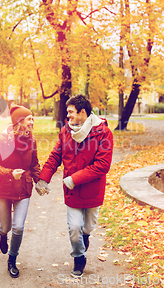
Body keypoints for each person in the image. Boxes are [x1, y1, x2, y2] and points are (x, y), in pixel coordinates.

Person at [35, 94, 113, 278]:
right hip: (72, 191)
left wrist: (75, 178)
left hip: (93, 190)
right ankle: (78, 258)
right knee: (74, 229)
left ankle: (85, 238)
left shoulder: (103, 132)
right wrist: (43, 179)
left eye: (71, 112)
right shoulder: (65, 131)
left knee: (87, 227)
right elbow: (55, 155)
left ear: (82, 112)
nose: (68, 116)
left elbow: (103, 165)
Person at [0, 104, 47, 278]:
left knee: (19, 227)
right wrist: (9, 173)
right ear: (20, 121)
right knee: (6, 226)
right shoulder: (1, 140)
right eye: (30, 119)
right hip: (4, 188)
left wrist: (40, 181)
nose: (33, 122)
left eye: (33, 119)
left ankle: (12, 259)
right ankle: (2, 234)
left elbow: (34, 164)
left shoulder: (32, 140)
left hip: (23, 188)